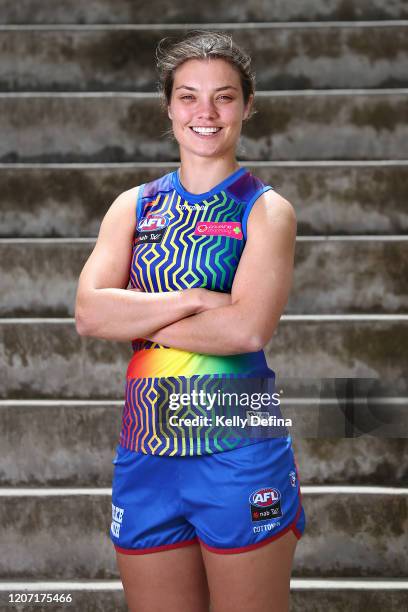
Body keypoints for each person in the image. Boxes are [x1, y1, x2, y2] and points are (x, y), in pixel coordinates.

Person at [75, 30, 305, 612]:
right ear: (168, 105)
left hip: (237, 443)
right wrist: (197, 298)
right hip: (146, 445)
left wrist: (135, 315)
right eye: (188, 96)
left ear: (247, 106)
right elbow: (88, 311)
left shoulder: (266, 209)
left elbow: (246, 331)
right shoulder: (133, 205)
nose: (206, 112)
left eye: (224, 97)